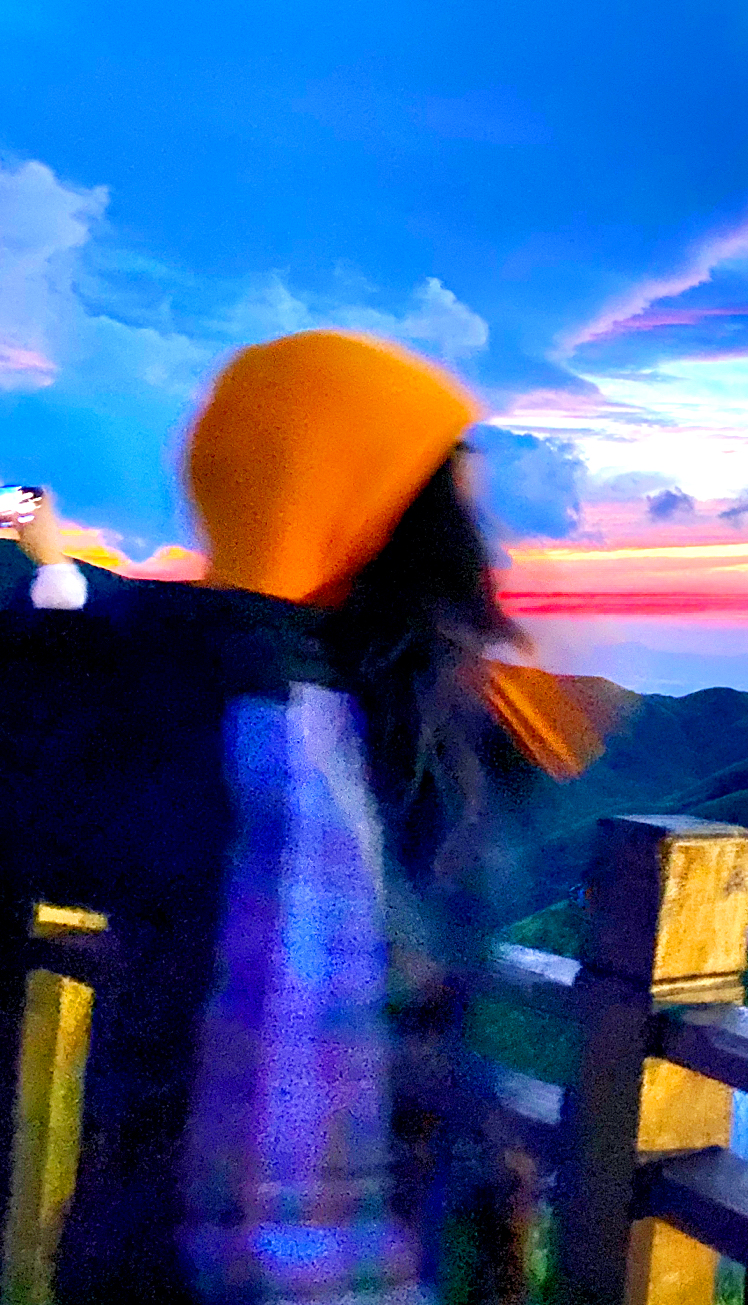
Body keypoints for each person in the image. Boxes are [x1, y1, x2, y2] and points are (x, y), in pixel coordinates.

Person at [4, 331, 595, 1304]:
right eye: (440, 491)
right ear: (359, 503)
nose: (471, 529)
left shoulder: (360, 700)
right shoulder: (244, 712)